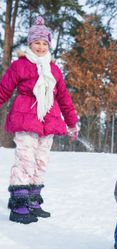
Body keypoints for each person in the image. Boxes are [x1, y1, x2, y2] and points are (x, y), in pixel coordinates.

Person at [0, 16, 79, 224]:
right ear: (30, 44)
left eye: (45, 43)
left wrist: (72, 123)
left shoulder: (53, 69)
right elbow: (4, 90)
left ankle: (33, 201)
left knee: (41, 162)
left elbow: (63, 98)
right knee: (25, 160)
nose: (41, 47)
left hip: (49, 120)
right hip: (26, 118)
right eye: (37, 42)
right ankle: (19, 205)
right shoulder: (20, 65)